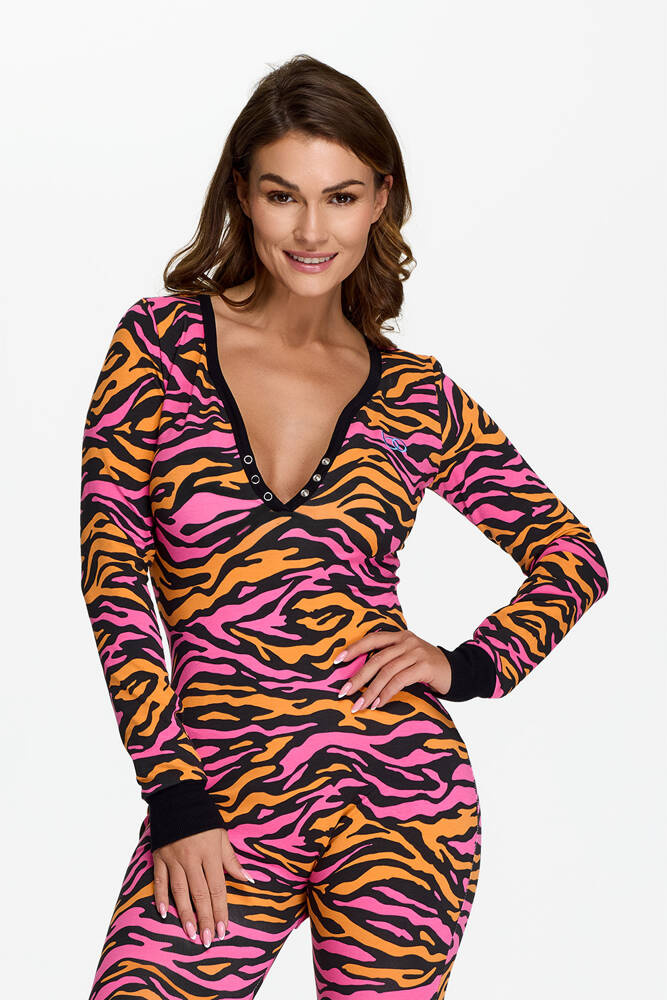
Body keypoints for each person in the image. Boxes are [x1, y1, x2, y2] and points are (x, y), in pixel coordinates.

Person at [80, 53, 609, 1000]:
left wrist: (466, 664)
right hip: (216, 791)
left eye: (341, 196)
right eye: (282, 194)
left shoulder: (417, 396)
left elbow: (571, 557)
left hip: (403, 802)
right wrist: (171, 791)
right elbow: (112, 577)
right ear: (241, 194)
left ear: (380, 201)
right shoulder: (159, 345)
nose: (311, 230)